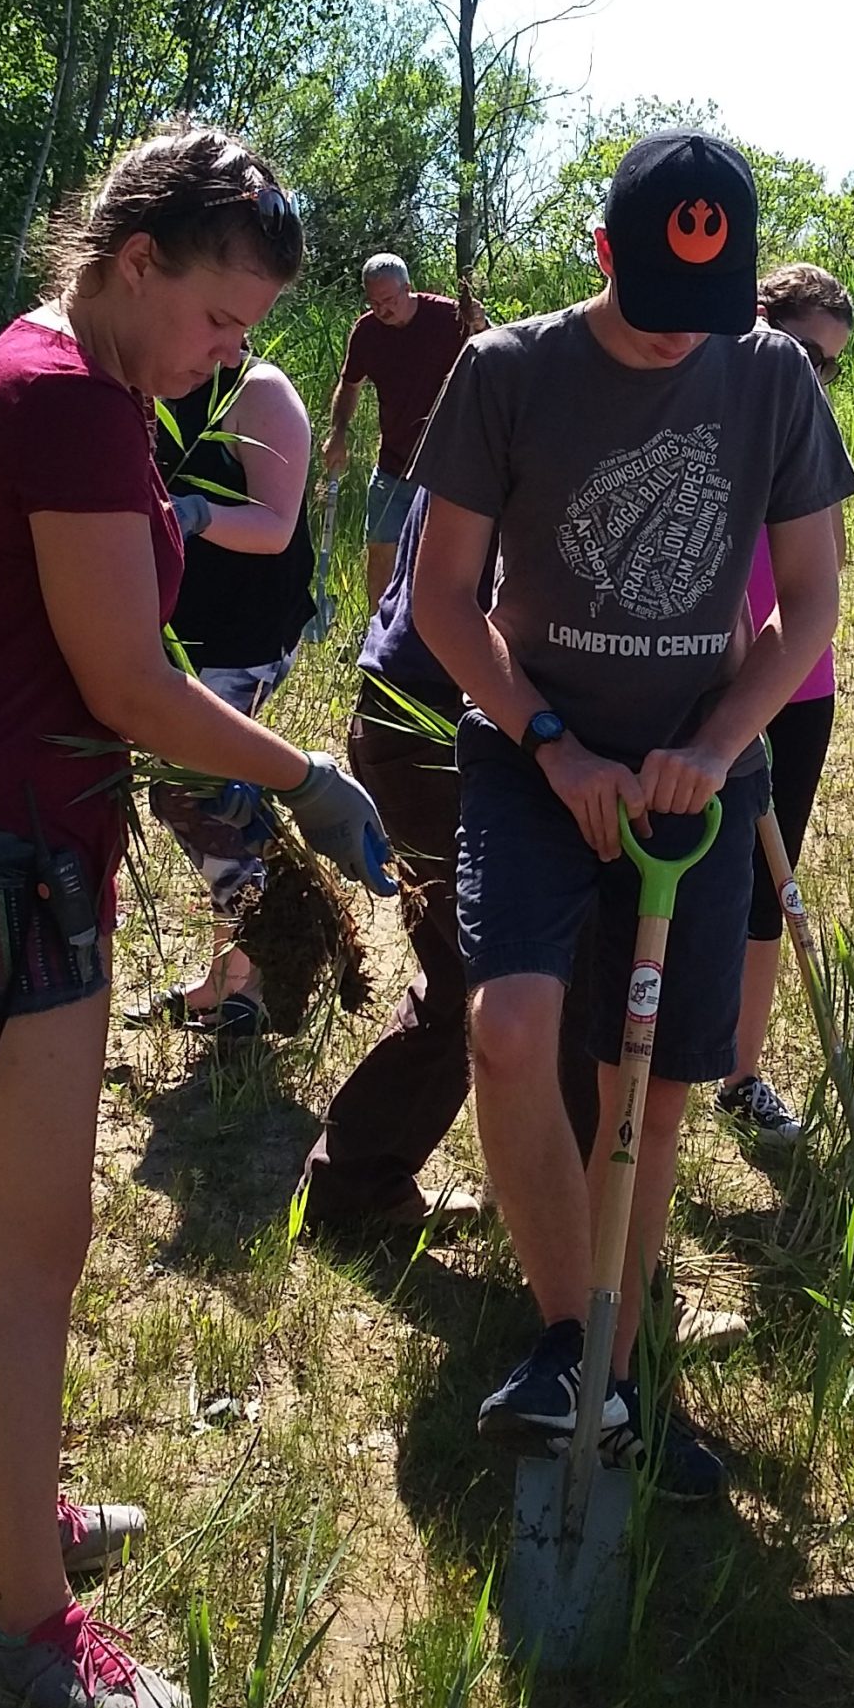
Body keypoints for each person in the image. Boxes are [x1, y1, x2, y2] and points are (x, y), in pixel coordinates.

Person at [0, 128, 390, 1708]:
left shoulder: (73, 381)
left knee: (25, 1237)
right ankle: (25, 1618)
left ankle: (16, 1511)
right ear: (137, 259)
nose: (233, 356)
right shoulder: (68, 401)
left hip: (0, 849)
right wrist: (305, 780)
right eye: (221, 318)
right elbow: (130, 685)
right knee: (22, 1247)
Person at [412, 128, 854, 1500]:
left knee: (654, 1080)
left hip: (694, 775)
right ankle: (571, 1341)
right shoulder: (508, 374)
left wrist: (717, 748)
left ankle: (611, 1349)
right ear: (603, 255)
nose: (682, 344)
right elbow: (444, 602)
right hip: (534, 757)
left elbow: (807, 612)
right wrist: (552, 746)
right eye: (657, 309)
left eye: (706, 320)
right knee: (512, 1031)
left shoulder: (773, 376)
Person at [298, 487, 598, 1231]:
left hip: (425, 715)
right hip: (440, 720)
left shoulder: (500, 380)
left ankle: (356, 1182)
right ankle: (594, 1260)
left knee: (479, 972)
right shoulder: (540, 388)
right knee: (531, 973)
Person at [715, 265, 854, 1148]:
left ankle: (742, 1075)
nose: (816, 373)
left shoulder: (809, 426)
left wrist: (760, 656)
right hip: (695, 678)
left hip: (794, 682)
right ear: (759, 319)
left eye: (831, 363)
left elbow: (827, 564)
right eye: (806, 349)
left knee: (772, 886)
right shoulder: (699, 396)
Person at [142, 350, 315, 1036]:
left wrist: (190, 513)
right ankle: (241, 972)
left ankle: (264, 957)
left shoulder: (259, 393)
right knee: (211, 797)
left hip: (244, 636)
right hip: (175, 635)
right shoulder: (150, 380)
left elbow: (275, 527)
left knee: (190, 794)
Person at [322, 252, 478, 608]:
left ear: (409, 288)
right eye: (374, 302)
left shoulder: (448, 316)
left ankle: (434, 635)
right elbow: (349, 386)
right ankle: (379, 631)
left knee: (440, 560)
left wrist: (481, 325)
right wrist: (339, 432)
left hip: (446, 466)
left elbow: (494, 355)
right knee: (380, 547)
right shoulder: (366, 332)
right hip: (393, 464)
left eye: (389, 301)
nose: (382, 310)